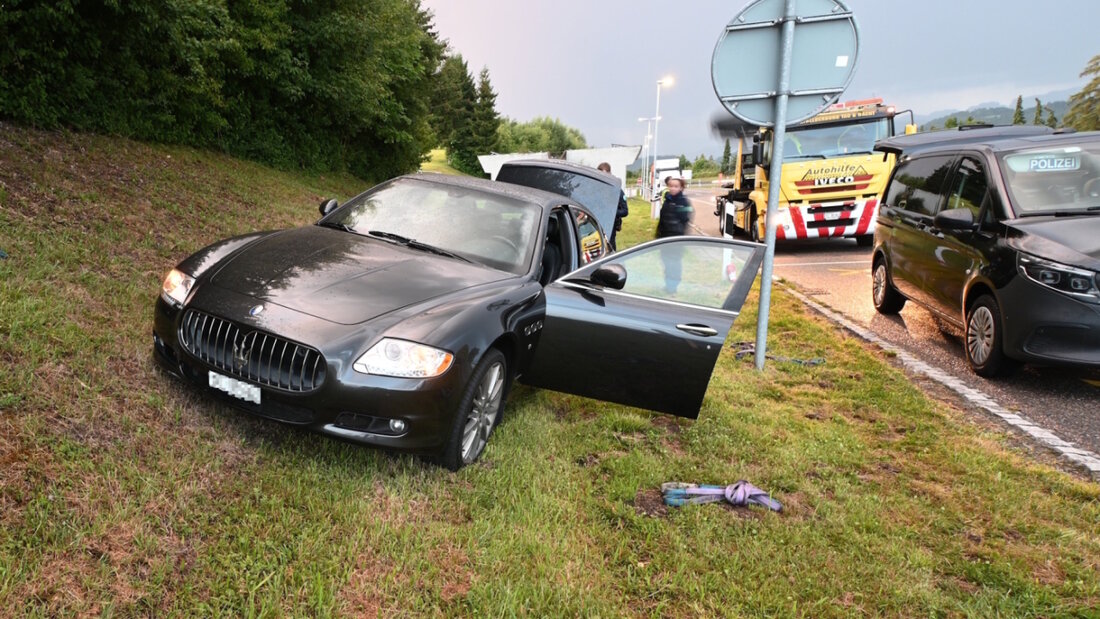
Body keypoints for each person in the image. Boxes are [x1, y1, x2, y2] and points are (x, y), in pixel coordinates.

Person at [655, 177, 693, 294]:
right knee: (666, 262)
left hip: (676, 239)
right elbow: (662, 220)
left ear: (681, 187)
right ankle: (668, 285)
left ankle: (673, 288)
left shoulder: (683, 202)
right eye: (671, 186)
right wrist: (658, 234)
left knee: (674, 264)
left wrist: (679, 236)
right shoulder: (667, 200)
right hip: (664, 238)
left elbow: (685, 219)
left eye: (676, 186)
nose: (673, 188)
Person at [597, 162, 629, 251]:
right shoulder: (595, 189)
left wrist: (611, 212)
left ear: (610, 174)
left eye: (605, 175)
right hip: (596, 226)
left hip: (611, 227)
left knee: (610, 250)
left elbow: (625, 211)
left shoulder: (617, 190)